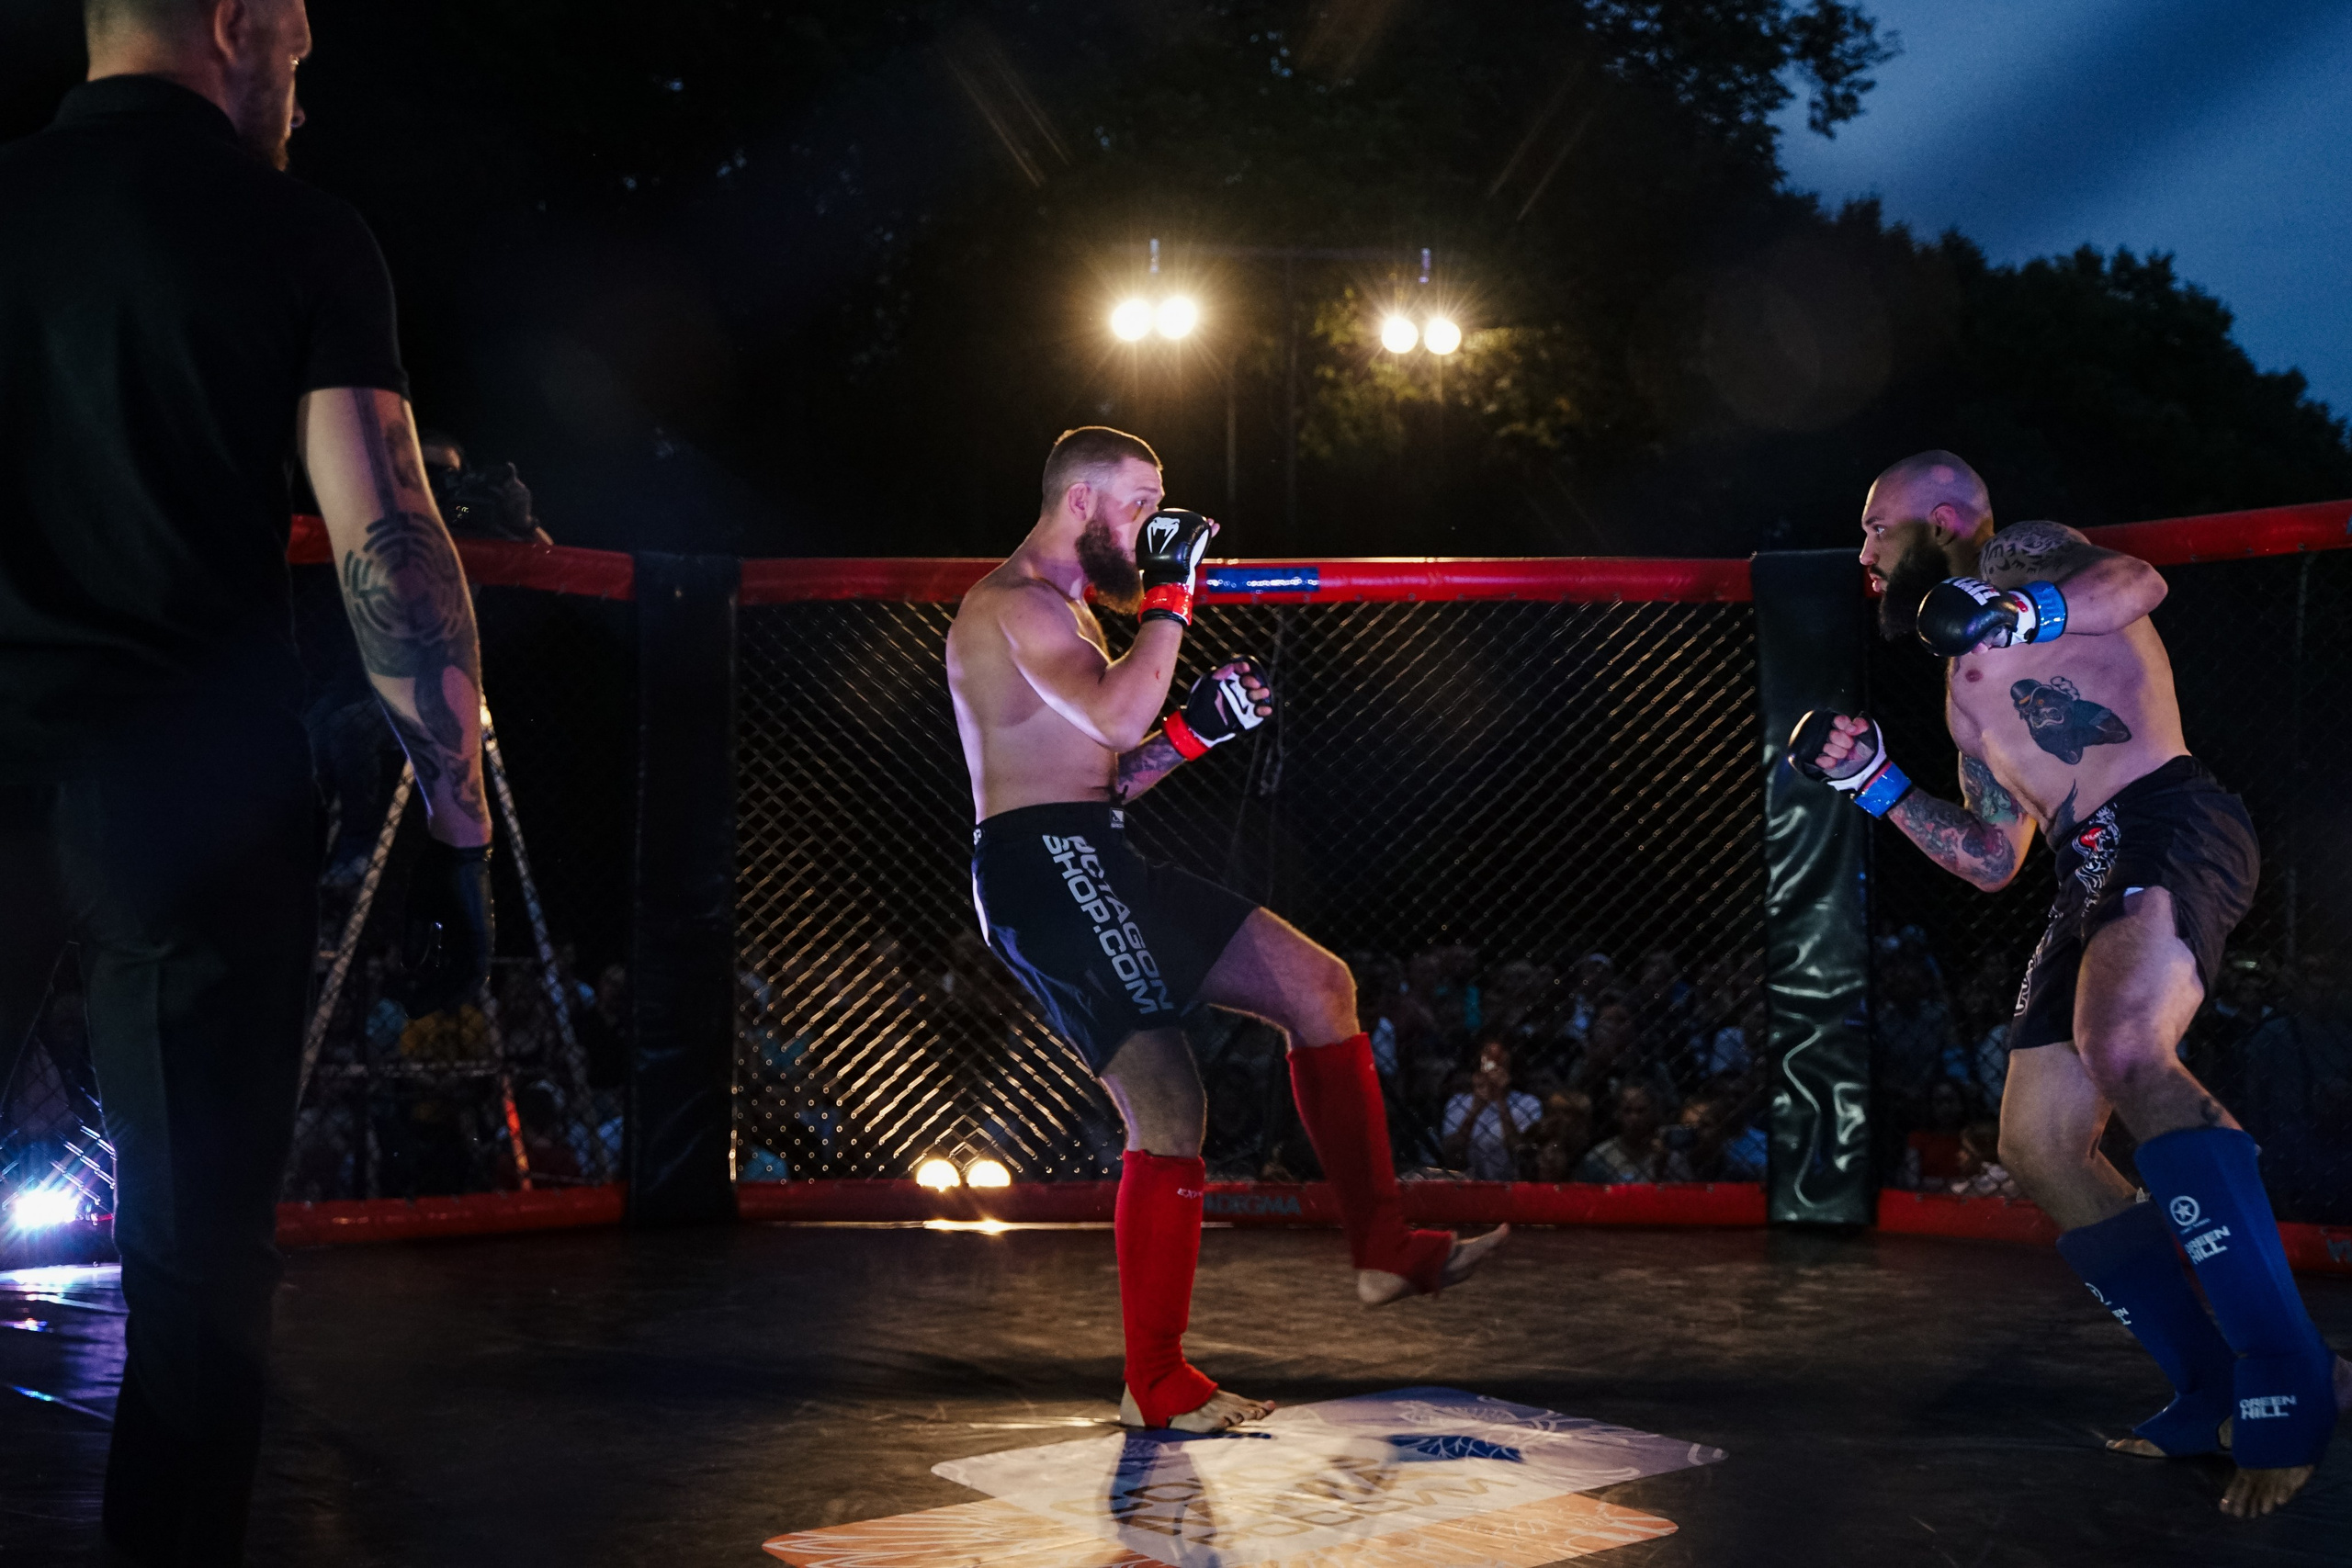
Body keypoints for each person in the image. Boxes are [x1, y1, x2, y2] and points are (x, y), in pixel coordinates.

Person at [0, 3, 494, 1558]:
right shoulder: (300, 233)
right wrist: (458, 806)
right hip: (189, 793)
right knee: (197, 1260)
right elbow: (384, 527)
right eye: (296, 36)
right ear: (233, 24)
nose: (304, 68)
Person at [1793, 449, 2346, 1517]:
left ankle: (2288, 1373)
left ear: (1941, 519)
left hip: (2165, 816)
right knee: (2038, 1145)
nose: (1862, 550)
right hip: (2078, 867)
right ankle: (2208, 1385)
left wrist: (2014, 611)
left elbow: (2138, 581)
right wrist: (1871, 781)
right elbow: (1991, 856)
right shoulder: (1960, 699)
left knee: (2127, 1045)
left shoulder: (2024, 554)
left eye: (1875, 527)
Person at [947, 426, 1506, 1434]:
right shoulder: (1015, 605)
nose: (1156, 523)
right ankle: (1155, 1379)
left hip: (1096, 850)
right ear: (1082, 502)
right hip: (1046, 871)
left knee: (1319, 987)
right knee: (1168, 1104)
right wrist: (1173, 596)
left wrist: (1196, 730)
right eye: (1141, 503)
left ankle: (1384, 1250)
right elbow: (1115, 722)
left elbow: (1111, 772)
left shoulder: (1069, 613)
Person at [1439, 1040, 1544, 1180]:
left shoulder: (1528, 1103)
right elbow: (1451, 1155)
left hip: (1512, 1183)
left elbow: (1520, 1153)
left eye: (1499, 1062)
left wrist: (1501, 1100)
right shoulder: (1458, 1103)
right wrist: (1475, 1109)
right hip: (1469, 1183)